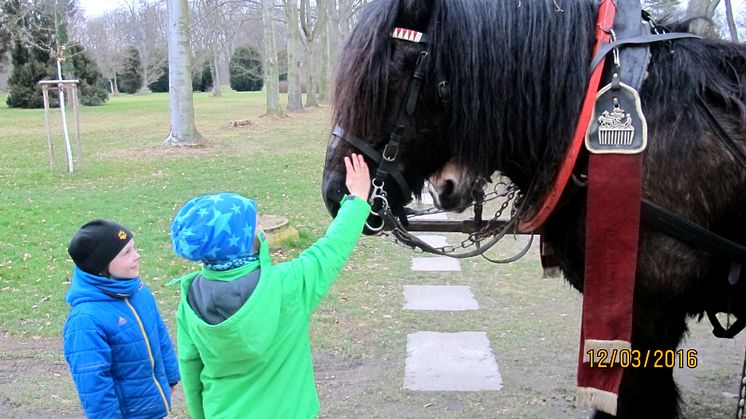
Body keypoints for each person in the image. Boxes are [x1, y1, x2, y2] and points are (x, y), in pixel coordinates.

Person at [170, 153, 371, 419]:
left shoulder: (189, 299)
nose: (261, 224)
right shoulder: (286, 286)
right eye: (254, 223)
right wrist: (357, 199)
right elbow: (331, 250)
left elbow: (190, 369)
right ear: (241, 240)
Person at [63, 219, 180, 418]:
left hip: (153, 405)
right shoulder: (85, 321)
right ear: (101, 266)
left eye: (134, 248)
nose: (137, 256)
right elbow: (94, 388)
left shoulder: (139, 291)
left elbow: (159, 333)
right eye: (126, 253)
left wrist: (170, 376)